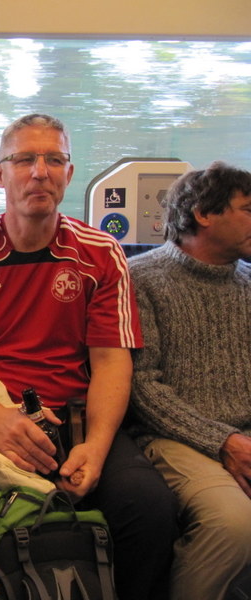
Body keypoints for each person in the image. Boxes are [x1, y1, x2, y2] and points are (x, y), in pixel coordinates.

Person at [0, 114, 178, 599]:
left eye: (54, 160)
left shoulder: (101, 252)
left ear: (69, 173)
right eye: (25, 159)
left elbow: (111, 363)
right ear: (0, 174)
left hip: (77, 417)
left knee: (149, 508)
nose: (40, 172)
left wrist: (96, 448)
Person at [129, 161, 251, 599]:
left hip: (242, 436)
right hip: (172, 439)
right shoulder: (140, 279)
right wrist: (224, 442)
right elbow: (142, 386)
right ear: (203, 213)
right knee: (233, 523)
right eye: (248, 209)